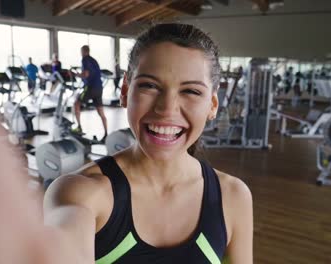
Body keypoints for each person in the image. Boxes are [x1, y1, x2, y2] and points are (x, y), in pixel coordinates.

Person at [46, 23, 253, 263]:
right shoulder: (82, 192)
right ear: (125, 91)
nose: (166, 109)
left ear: (212, 106)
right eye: (149, 86)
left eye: (191, 91)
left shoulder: (233, 196)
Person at [73, 45, 108, 141]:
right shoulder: (94, 60)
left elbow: (86, 74)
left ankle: (79, 127)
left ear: (83, 51)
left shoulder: (85, 59)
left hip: (90, 87)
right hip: (99, 88)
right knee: (101, 112)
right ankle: (106, 134)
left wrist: (76, 74)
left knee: (76, 103)